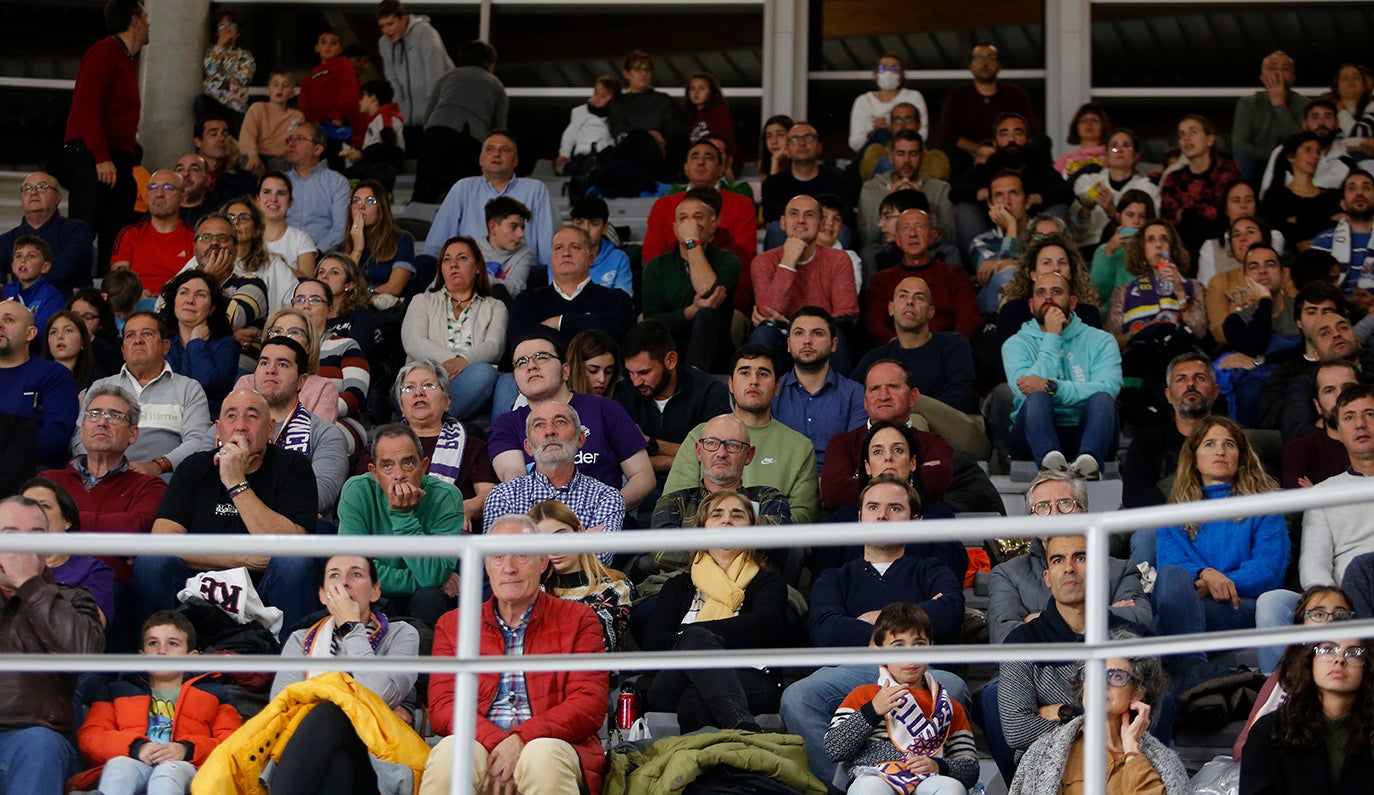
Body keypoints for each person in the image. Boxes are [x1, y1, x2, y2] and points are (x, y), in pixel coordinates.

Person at [783, 475, 970, 787]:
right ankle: (846, 786)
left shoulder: (933, 569)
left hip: (921, 670)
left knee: (954, 687)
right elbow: (823, 628)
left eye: (895, 508)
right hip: (852, 669)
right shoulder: (834, 577)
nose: (882, 515)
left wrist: (872, 622)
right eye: (873, 507)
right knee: (797, 697)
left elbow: (950, 611)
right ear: (860, 519)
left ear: (914, 520)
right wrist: (911, 622)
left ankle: (915, 776)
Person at [422, 514, 609, 795]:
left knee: (542, 756)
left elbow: (588, 704)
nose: (508, 568)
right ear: (486, 565)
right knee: (452, 753)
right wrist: (501, 745)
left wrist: (523, 739)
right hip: (481, 742)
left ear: (543, 562)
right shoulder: (453, 625)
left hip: (553, 743)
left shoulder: (580, 619)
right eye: (497, 557)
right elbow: (442, 707)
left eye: (521, 554)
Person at [133, 389, 319, 639]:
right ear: (218, 429)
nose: (240, 426)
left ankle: (291, 668)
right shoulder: (194, 466)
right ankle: (153, 663)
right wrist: (246, 557)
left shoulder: (294, 467)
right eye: (231, 416)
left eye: (252, 417)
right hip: (197, 587)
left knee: (294, 561)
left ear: (270, 429)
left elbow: (292, 546)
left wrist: (235, 482)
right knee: (151, 561)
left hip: (266, 587)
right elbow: (163, 539)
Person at [995, 533, 1153, 782]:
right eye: (1057, 560)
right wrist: (1103, 718)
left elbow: (1145, 721)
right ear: (1048, 577)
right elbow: (1017, 730)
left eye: (1080, 557)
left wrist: (1064, 712)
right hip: (1047, 772)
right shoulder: (1021, 642)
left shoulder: (1134, 640)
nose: (1068, 568)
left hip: (1124, 768)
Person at [261, 554, 422, 795]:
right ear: (323, 595)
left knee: (330, 710)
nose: (344, 583)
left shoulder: (401, 634)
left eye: (356, 574)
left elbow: (380, 695)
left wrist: (350, 626)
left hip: (378, 759)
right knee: (337, 763)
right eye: (334, 575)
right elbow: (283, 710)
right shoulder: (300, 639)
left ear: (375, 591)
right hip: (316, 753)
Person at [642, 491, 788, 732]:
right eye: (716, 514)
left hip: (752, 679)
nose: (727, 520)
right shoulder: (678, 586)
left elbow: (766, 627)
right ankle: (744, 730)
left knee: (695, 697)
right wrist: (701, 638)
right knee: (695, 640)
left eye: (737, 515)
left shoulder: (767, 582)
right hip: (673, 681)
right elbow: (653, 641)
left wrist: (689, 636)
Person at [1146, 417, 1288, 650]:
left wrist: (1217, 583)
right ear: (1194, 459)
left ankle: (1190, 671)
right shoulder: (1172, 514)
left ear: (1241, 457)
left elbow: (1267, 571)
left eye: (1229, 444)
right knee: (1172, 585)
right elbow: (1171, 569)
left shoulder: (1265, 506)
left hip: (1241, 603)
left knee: (1163, 625)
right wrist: (1206, 573)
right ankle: (1195, 673)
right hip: (1190, 602)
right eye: (1209, 444)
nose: (1220, 451)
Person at [69, 610, 241, 795]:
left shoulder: (214, 694)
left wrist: (187, 749)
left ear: (192, 657)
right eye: (153, 643)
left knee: (167, 772)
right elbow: (91, 737)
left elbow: (233, 745)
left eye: (173, 644)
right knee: (119, 766)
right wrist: (136, 748)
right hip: (134, 761)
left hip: (188, 768)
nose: (161, 651)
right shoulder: (117, 691)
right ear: (142, 656)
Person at [0, 494, 105, 792]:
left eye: (35, 536)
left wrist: (30, 586)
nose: (22, 545)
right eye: (10, 535)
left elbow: (85, 655)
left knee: (39, 744)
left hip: (31, 740)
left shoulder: (72, 599)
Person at [824, 602, 979, 795]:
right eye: (898, 646)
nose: (910, 655)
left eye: (919, 644)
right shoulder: (864, 696)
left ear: (932, 647)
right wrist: (872, 711)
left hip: (928, 780)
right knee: (871, 788)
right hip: (874, 777)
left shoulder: (947, 706)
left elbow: (970, 769)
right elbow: (834, 748)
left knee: (952, 788)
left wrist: (937, 765)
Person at [487, 331, 653, 509]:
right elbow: (515, 479)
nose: (531, 366)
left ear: (565, 371)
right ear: (516, 381)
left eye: (541, 357)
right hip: (541, 528)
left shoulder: (605, 409)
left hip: (604, 527)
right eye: (521, 362)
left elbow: (643, 476)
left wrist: (606, 510)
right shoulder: (506, 424)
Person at [988, 470, 1151, 644]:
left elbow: (1141, 620)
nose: (1054, 514)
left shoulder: (1120, 570)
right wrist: (1105, 612)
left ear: (1085, 512)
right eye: (1042, 506)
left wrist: (1039, 619)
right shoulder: (1007, 574)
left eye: (1065, 503)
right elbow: (1003, 638)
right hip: (1037, 670)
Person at [664, 344, 821, 523]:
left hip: (770, 548)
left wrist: (745, 528)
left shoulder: (800, 446)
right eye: (745, 373)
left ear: (777, 386)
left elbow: (804, 517)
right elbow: (673, 505)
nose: (754, 381)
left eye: (763, 374)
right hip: (699, 547)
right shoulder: (701, 435)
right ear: (730, 383)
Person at [1008, 641, 1187, 794]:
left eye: (1116, 676)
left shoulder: (1164, 761)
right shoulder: (1044, 751)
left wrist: (1132, 750)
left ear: (1138, 692)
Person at [339, 424, 464, 624]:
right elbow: (352, 570)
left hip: (423, 600)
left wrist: (402, 515)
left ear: (424, 467)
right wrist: (419, 581)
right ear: (374, 473)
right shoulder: (357, 491)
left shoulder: (445, 497)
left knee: (430, 597)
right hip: (372, 597)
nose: (398, 475)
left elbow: (432, 576)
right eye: (387, 466)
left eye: (408, 463)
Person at [42, 384, 168, 582]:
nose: (102, 422)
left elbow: (135, 528)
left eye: (115, 415)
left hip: (106, 585)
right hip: (46, 579)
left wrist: (61, 518)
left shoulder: (149, 486)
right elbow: (33, 525)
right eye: (94, 413)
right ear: (82, 428)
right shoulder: (48, 480)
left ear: (133, 434)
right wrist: (111, 535)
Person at [1003, 271, 1122, 475]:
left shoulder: (1101, 340)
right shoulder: (1016, 344)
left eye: (1057, 291)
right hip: (1033, 435)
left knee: (1102, 399)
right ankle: (1050, 461)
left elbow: (1109, 386)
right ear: (1032, 306)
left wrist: (1052, 387)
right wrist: (1052, 337)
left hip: (1088, 431)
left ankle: (1089, 465)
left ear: (1073, 302)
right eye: (1041, 293)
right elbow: (1024, 390)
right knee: (1036, 398)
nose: (1048, 298)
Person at [854, 278, 986, 456]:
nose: (910, 301)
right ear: (891, 309)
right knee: (913, 420)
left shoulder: (953, 344)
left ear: (931, 311)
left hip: (963, 430)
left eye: (919, 297)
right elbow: (854, 400)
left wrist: (904, 406)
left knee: (904, 403)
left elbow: (963, 397)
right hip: (901, 434)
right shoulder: (876, 358)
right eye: (903, 296)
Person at [482, 401, 626, 560]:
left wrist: (526, 549)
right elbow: (498, 561)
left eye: (560, 422)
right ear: (528, 447)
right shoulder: (503, 496)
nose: (549, 431)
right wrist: (581, 541)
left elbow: (599, 558)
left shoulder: (606, 497)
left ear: (580, 438)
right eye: (539, 425)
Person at [63, 0, 146, 274]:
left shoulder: (126, 59)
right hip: (95, 154)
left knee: (117, 232)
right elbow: (86, 105)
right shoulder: (104, 52)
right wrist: (100, 156)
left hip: (117, 157)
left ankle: (110, 298)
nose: (149, 23)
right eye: (145, 17)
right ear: (134, 20)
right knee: (84, 229)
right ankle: (77, 296)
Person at [79, 312, 214, 477]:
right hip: (104, 480)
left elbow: (198, 441)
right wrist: (102, 469)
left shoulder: (188, 388)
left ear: (165, 346)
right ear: (123, 350)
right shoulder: (102, 387)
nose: (138, 341)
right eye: (130, 336)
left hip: (164, 483)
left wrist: (158, 466)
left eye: (147, 334)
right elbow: (80, 437)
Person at [820, 359, 957, 516]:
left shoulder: (934, 443)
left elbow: (936, 483)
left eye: (892, 387)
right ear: (865, 401)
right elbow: (833, 493)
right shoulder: (842, 443)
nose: (883, 396)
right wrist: (911, 478)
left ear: (913, 397)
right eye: (875, 389)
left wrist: (864, 481)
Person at [613, 319, 731, 495]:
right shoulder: (624, 393)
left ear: (670, 360)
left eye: (644, 372)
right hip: (640, 491)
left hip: (698, 491)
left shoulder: (709, 391)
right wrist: (679, 459)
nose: (636, 381)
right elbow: (620, 460)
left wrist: (650, 445)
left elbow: (715, 454)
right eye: (630, 373)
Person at [1240, 637, 1374, 791]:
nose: (1340, 659)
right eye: (1328, 649)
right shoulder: (1268, 731)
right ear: (1310, 660)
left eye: (1353, 653)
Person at [401, 235, 506, 421]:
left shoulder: (495, 306)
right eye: (447, 259)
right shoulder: (422, 301)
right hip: (422, 383)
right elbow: (413, 342)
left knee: (490, 375)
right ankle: (432, 421)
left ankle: (428, 421)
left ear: (478, 268)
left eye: (462, 258)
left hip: (472, 382)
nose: (453, 264)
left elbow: (494, 346)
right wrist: (453, 362)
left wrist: (464, 361)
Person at [241, 333, 348, 513]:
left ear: (302, 381)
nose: (271, 370)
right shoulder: (224, 428)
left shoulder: (325, 435)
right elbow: (198, 486)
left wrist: (239, 496)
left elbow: (317, 495)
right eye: (264, 363)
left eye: (282, 364)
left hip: (294, 537)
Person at [641, 187, 743, 370]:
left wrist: (692, 242)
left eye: (698, 217)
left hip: (716, 352)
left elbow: (709, 294)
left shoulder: (728, 260)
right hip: (667, 349)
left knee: (707, 314)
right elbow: (651, 320)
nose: (692, 225)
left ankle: (693, 381)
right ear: (675, 228)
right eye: (684, 219)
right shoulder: (656, 266)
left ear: (712, 224)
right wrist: (690, 311)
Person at [423, 130, 555, 272]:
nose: (496, 154)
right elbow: (435, 245)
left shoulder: (535, 189)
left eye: (504, 150)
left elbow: (547, 249)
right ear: (480, 158)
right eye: (490, 149)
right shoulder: (463, 188)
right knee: (424, 263)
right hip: (470, 274)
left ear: (516, 160)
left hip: (522, 272)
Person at [385, 360, 497, 522]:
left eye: (428, 385)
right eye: (409, 388)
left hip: (452, 534)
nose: (418, 393)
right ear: (401, 407)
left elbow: (489, 494)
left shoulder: (472, 446)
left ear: (447, 401)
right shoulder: (381, 446)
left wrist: (459, 509)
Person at [751, 195, 860, 357]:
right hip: (782, 339)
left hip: (822, 340)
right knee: (764, 334)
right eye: (794, 214)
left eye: (809, 215)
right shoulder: (763, 261)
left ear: (821, 224)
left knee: (838, 336)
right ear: (782, 222)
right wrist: (787, 263)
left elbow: (846, 314)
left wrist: (793, 326)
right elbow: (768, 314)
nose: (801, 220)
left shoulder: (839, 259)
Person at [952, 113, 1070, 253]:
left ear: (1028, 140)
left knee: (1060, 208)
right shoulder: (984, 169)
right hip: (991, 235)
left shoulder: (1040, 168)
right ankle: (981, 263)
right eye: (1004, 134)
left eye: (1018, 133)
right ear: (995, 142)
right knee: (964, 209)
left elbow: (1066, 191)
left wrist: (1038, 197)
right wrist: (985, 194)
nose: (1011, 139)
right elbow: (955, 192)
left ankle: (1049, 257)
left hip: (1034, 238)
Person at [651, 413, 792, 530]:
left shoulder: (768, 498)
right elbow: (663, 553)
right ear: (699, 451)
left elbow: (777, 546)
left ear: (748, 455)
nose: (721, 453)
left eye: (732, 445)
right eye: (712, 443)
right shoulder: (675, 502)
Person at [530, 500, 634, 652]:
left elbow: (597, 644)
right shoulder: (531, 591)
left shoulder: (616, 588)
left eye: (561, 536)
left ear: (579, 532)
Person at [413, 40, 509, 205]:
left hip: (435, 134)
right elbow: (499, 131)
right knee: (461, 196)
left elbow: (428, 113)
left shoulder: (448, 76)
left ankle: (415, 225)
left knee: (424, 191)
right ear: (489, 62)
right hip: (469, 139)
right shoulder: (496, 85)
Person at [506, 224, 634, 347]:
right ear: (551, 259)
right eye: (558, 247)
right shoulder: (527, 300)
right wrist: (587, 328)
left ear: (590, 258)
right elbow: (519, 339)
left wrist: (560, 322)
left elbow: (619, 330)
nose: (566, 253)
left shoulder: (615, 298)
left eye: (575, 247)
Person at [773, 307, 865, 466]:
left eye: (817, 333)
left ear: (834, 344)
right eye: (799, 333)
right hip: (782, 482)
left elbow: (855, 454)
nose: (807, 340)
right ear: (788, 344)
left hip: (835, 482)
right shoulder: (772, 392)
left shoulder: (854, 394)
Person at [20, 476, 115, 625]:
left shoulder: (93, 570)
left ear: (67, 520)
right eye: (25, 506)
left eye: (44, 506)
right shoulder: (3, 566)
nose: (33, 513)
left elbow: (89, 631)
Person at [291, 279, 370, 454]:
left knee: (309, 437)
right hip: (287, 420)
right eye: (300, 299)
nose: (306, 306)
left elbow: (356, 395)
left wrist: (315, 413)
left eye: (314, 300)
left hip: (339, 422)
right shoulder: (281, 351)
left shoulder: (346, 345)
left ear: (330, 310)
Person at [936, 43, 1039, 175]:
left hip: (1009, 151)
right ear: (970, 65)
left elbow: (1031, 130)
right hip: (968, 157)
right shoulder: (958, 94)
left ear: (999, 65)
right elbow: (947, 135)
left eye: (991, 58)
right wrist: (979, 149)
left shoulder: (1016, 94)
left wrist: (999, 149)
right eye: (979, 58)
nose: (985, 63)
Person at [0, 299, 78, 468]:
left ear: (30, 333)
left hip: (31, 472)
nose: (0, 325)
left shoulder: (54, 375)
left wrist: (9, 456)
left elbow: (58, 432)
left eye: (9, 320)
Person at [158, 270, 240, 417]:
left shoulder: (227, 344)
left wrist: (196, 342)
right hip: (164, 419)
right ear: (174, 300)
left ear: (212, 308)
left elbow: (208, 381)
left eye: (201, 295)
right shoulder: (162, 342)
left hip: (208, 423)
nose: (190, 300)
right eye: (184, 293)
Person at [858, 129, 955, 253]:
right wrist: (888, 203)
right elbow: (868, 237)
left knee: (950, 250)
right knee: (868, 251)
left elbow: (949, 237)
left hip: (926, 251)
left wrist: (924, 203)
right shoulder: (871, 188)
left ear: (922, 158)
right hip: (886, 251)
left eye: (913, 154)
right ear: (891, 158)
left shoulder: (940, 188)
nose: (907, 160)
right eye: (900, 154)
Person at [760, 123, 855, 246]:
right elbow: (769, 214)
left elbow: (846, 215)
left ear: (819, 147)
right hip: (791, 232)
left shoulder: (838, 179)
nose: (802, 143)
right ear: (787, 150)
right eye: (795, 139)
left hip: (824, 230)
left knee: (843, 231)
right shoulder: (774, 182)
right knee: (776, 229)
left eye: (808, 138)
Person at [1160, 115, 1242, 258]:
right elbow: (1169, 224)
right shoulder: (1173, 179)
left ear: (1209, 140)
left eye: (1193, 132)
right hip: (1186, 249)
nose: (1186, 138)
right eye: (1182, 134)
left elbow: (1227, 213)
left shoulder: (1227, 170)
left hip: (1223, 245)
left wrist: (1187, 213)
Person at [376, 0, 454, 146]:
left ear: (403, 19)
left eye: (390, 24)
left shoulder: (425, 34)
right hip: (408, 122)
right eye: (382, 26)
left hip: (435, 118)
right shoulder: (384, 44)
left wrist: (432, 118)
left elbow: (435, 80)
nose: (387, 31)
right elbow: (394, 85)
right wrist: (399, 119)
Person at [0, 172, 94, 293]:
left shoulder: (78, 230)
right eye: (27, 188)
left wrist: (14, 279)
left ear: (57, 198)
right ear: (21, 199)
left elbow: (62, 269)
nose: (33, 192)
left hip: (68, 306)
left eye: (41, 187)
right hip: (17, 308)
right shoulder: (6, 240)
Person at [1071, 129, 1158, 253]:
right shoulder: (1087, 182)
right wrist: (1085, 210)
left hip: (1130, 251)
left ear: (1136, 156)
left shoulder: (1148, 189)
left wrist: (1113, 212)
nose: (1119, 150)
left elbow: (1152, 230)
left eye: (1126, 146)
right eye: (1114, 147)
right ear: (1106, 155)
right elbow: (1075, 231)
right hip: (1087, 249)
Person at [110, 170, 195, 296]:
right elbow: (118, 280)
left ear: (183, 199)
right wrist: (136, 294)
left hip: (177, 305)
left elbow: (198, 282)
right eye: (153, 187)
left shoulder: (194, 236)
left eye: (168, 188)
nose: (159, 194)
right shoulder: (129, 234)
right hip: (134, 305)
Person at [606, 49, 684, 184]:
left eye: (647, 70)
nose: (643, 73)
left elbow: (677, 134)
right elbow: (618, 133)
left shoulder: (665, 101)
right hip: (628, 165)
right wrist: (646, 138)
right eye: (637, 69)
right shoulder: (617, 103)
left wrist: (661, 141)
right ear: (626, 73)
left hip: (663, 164)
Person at [1232, 51, 1310, 180]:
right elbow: (1240, 146)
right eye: (1272, 68)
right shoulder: (1248, 103)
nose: (1278, 73)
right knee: (1242, 159)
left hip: (1291, 165)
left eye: (1285, 68)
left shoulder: (1305, 104)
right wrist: (1275, 155)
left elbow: (1299, 143)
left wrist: (1279, 105)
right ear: (1262, 77)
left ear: (1292, 77)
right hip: (1255, 164)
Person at [1282, 359, 1358, 488]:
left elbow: (1314, 501)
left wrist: (1320, 494)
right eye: (1329, 390)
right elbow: (1300, 505)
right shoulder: (1300, 451)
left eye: (1348, 388)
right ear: (1317, 405)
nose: (1340, 396)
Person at [1261, 132, 1344, 250]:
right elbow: (1276, 234)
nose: (1315, 156)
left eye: (1318, 152)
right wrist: (1324, 221)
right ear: (1291, 156)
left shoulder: (1331, 196)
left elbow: (1339, 230)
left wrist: (1298, 220)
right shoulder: (1275, 196)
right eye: (1308, 150)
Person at [216, 197, 300, 313]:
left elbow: (294, 302)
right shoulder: (205, 258)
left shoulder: (272, 265)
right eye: (230, 217)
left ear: (257, 230)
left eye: (243, 218)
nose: (235, 222)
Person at [284, 122, 351, 253]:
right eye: (290, 139)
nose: (292, 144)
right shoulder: (280, 182)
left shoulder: (337, 182)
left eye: (300, 139)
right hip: (284, 256)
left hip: (324, 256)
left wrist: (314, 253)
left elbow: (340, 229)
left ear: (317, 149)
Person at [342, 180, 414, 297]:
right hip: (353, 310)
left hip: (388, 309)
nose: (361, 206)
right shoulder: (342, 247)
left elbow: (395, 287)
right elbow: (340, 287)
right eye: (356, 201)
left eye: (370, 201)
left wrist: (366, 293)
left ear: (381, 207)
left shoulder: (402, 240)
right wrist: (357, 249)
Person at [848, 54, 929, 155]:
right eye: (883, 68)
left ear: (901, 75)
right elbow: (855, 143)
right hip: (871, 157)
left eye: (895, 68)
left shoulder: (913, 97)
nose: (888, 72)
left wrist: (890, 129)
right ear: (876, 74)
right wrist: (872, 134)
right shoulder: (863, 101)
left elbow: (923, 134)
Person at [1310, 170, 1373, 295]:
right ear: (1343, 204)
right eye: (1352, 188)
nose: (1359, 193)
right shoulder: (1323, 241)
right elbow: (1314, 290)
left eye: (1366, 187)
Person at [197, 8, 254, 134]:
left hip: (234, 105)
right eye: (222, 25)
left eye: (231, 25)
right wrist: (219, 47)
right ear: (217, 31)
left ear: (238, 32)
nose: (227, 29)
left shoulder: (245, 56)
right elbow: (210, 70)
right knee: (200, 101)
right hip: (214, 102)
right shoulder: (212, 52)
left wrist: (219, 79)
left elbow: (243, 79)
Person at [314, 251, 380, 356]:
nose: (324, 276)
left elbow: (356, 353)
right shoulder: (308, 313)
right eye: (321, 272)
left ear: (349, 285)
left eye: (334, 272)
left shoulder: (362, 315)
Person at [239, 71, 305, 175]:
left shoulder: (297, 116)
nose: (280, 89)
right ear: (268, 90)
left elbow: (297, 143)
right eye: (275, 85)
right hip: (255, 154)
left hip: (279, 158)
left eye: (285, 85)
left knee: (285, 168)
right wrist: (252, 154)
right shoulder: (258, 108)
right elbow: (247, 134)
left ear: (292, 92)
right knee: (248, 164)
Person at [257, 170, 318, 279]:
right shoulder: (247, 236)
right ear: (257, 200)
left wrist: (281, 265)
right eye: (267, 192)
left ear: (290, 202)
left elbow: (309, 281)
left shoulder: (301, 239)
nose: (273, 199)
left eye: (281, 193)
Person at [568, 196, 632, 296]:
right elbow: (559, 300)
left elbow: (622, 303)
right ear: (572, 226)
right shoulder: (559, 256)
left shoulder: (619, 259)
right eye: (580, 223)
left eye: (593, 224)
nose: (586, 230)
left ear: (605, 228)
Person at [556, 74, 619, 175]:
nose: (598, 98)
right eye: (596, 93)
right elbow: (569, 135)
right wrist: (564, 154)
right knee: (575, 166)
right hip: (584, 154)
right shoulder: (580, 112)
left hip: (605, 154)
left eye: (604, 96)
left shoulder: (617, 116)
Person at [299, 29, 359, 133]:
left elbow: (348, 93)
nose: (328, 46)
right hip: (315, 124)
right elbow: (304, 98)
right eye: (323, 42)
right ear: (317, 48)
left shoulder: (343, 66)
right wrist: (309, 119)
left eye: (333, 43)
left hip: (336, 124)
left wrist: (339, 116)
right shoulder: (311, 75)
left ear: (340, 49)